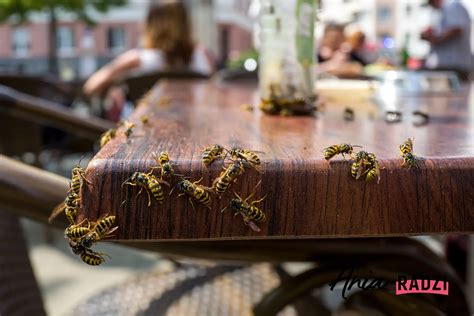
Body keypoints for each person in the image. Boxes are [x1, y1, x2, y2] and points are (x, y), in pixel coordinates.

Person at [83, 2, 215, 97]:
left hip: (141, 132)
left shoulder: (136, 60)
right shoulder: (203, 55)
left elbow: (91, 87)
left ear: (149, 25)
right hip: (194, 129)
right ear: (187, 25)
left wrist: (114, 85)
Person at [421, 0, 471, 80]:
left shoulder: (452, 5)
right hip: (450, 67)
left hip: (453, 67)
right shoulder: (446, 10)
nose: (432, 7)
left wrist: (436, 38)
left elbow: (457, 29)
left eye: (431, 3)